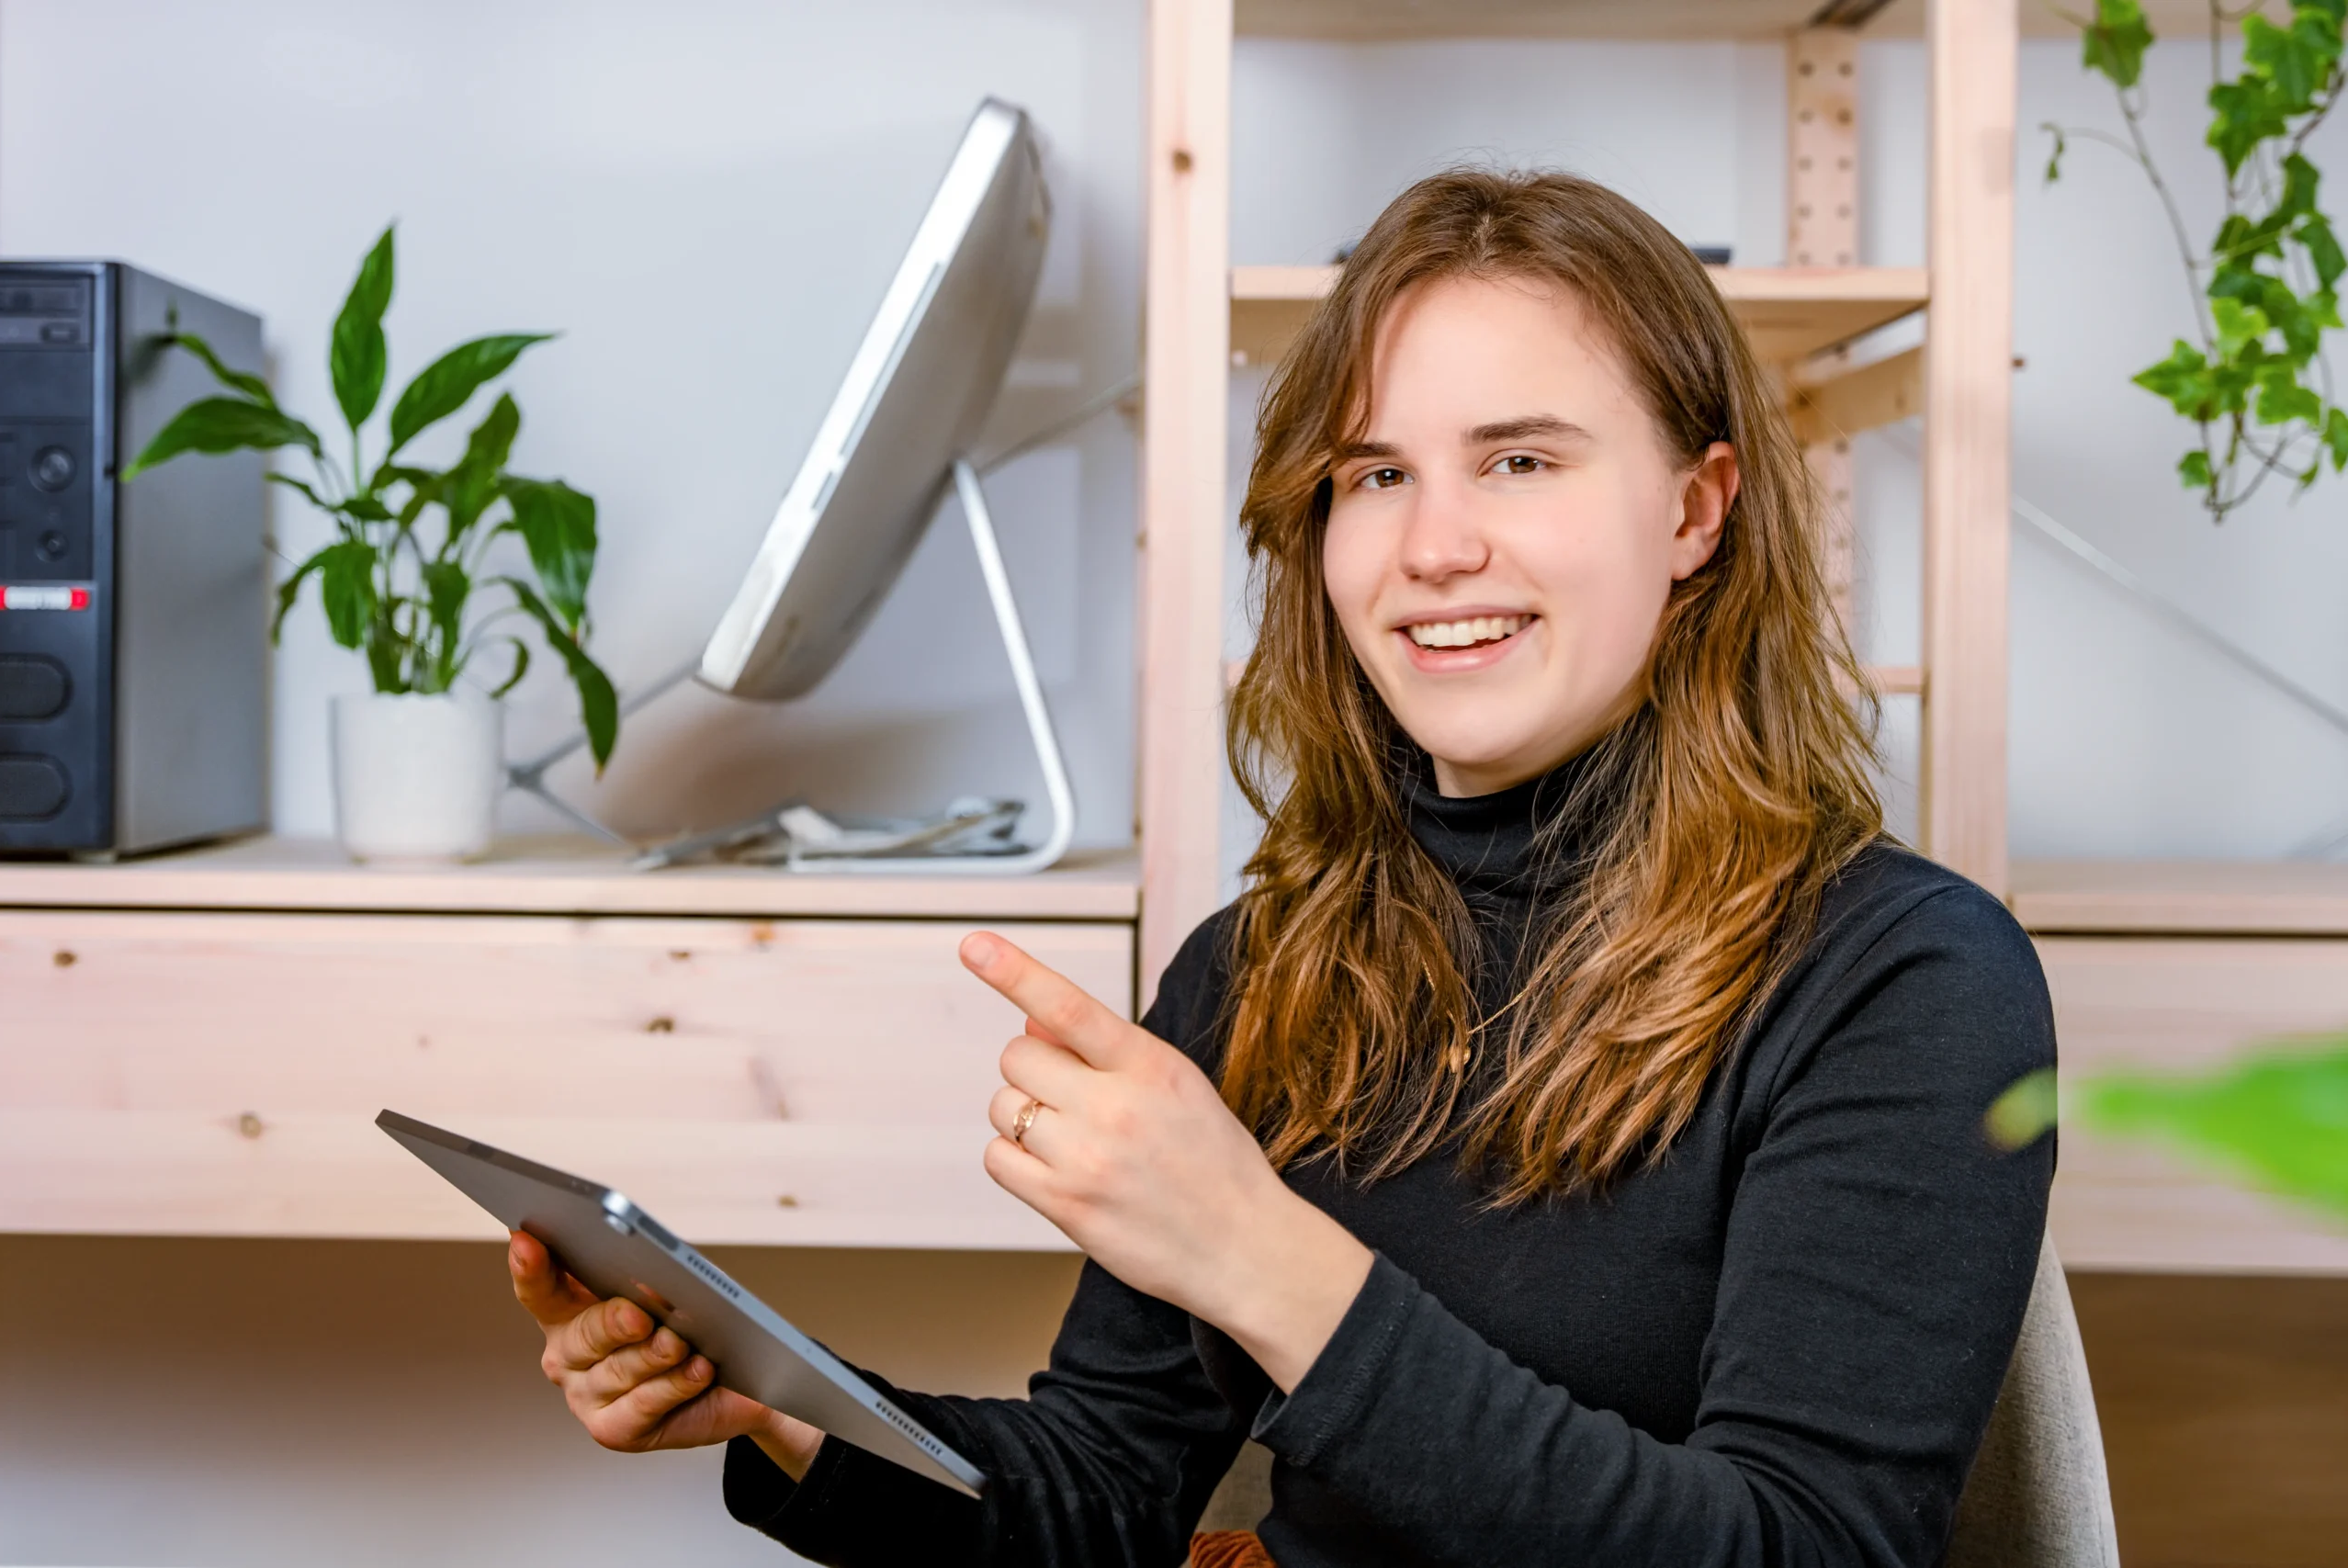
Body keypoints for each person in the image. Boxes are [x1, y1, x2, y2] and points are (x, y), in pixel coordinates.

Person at [507, 168, 2055, 1568]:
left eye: (1518, 459)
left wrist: (1263, 1258)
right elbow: (1107, 1495)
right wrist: (779, 1406)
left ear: (1697, 510)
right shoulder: (1259, 972)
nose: (1432, 545)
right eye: (1374, 474)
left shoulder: (1903, 978)